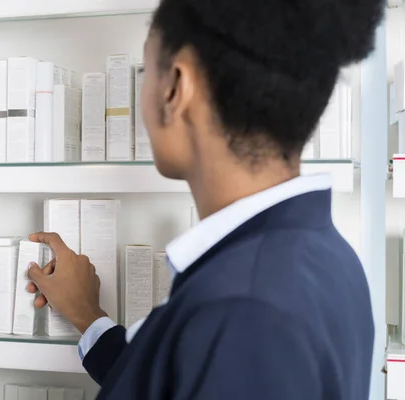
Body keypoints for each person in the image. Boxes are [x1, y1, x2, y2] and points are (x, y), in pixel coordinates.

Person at [26, 0, 383, 398]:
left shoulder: (242, 311)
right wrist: (88, 317)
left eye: (146, 73)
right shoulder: (325, 256)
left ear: (177, 88)